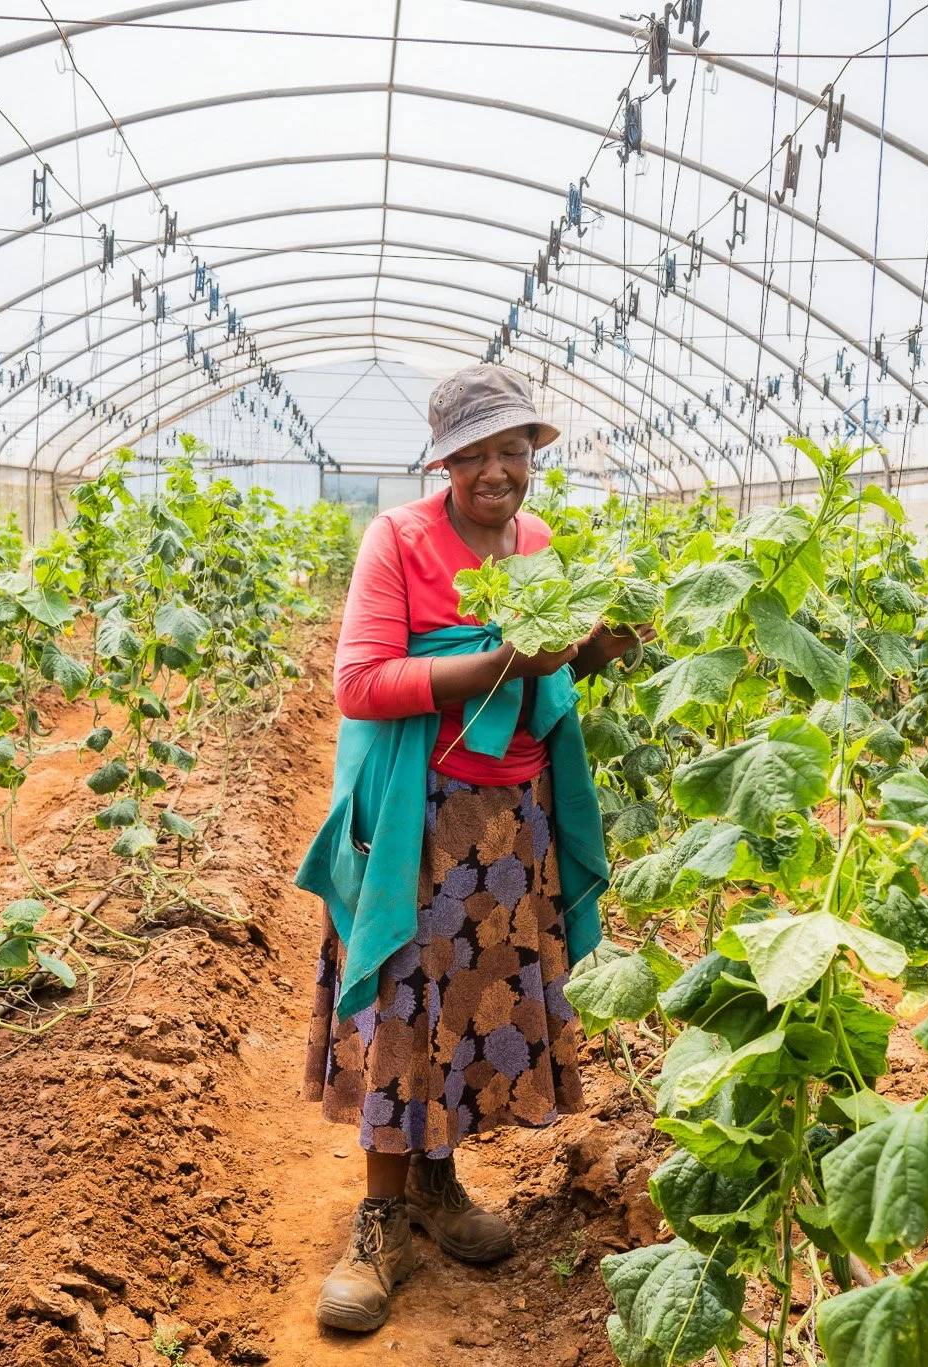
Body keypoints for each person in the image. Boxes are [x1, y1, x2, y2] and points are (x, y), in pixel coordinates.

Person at [296, 363, 639, 1332]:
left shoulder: (533, 541)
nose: (497, 469)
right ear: (443, 459)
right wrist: (496, 658)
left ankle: (436, 1185)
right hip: (418, 812)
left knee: (473, 996)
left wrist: (589, 653)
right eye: (476, 452)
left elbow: (542, 667)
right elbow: (359, 682)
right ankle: (377, 1221)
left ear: (531, 455)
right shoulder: (398, 540)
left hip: (507, 819)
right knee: (405, 1005)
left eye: (513, 448)